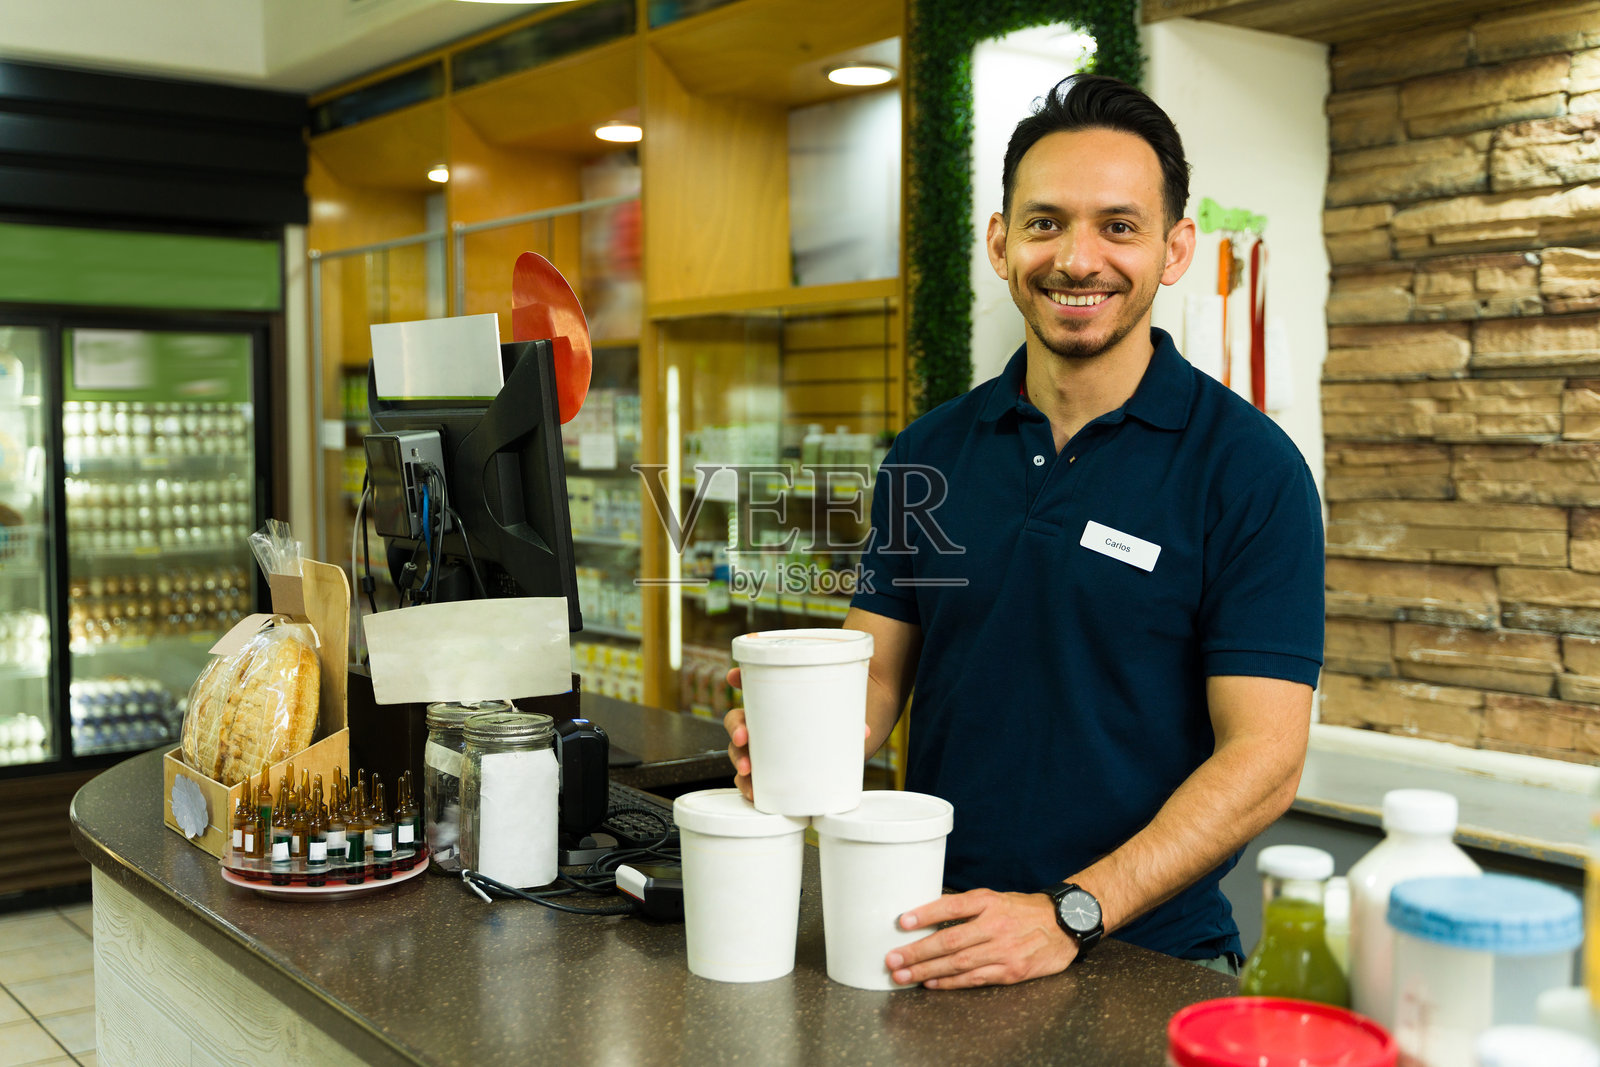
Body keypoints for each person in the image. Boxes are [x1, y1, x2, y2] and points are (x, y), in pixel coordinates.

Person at [724, 74, 1324, 989]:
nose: (1078, 259)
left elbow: (1265, 758)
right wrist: (799, 746)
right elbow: (878, 677)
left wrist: (1069, 910)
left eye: (1118, 225)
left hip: (1146, 959)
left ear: (1174, 249)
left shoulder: (1249, 471)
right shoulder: (932, 448)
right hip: (932, 930)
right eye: (1045, 223)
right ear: (1002, 243)